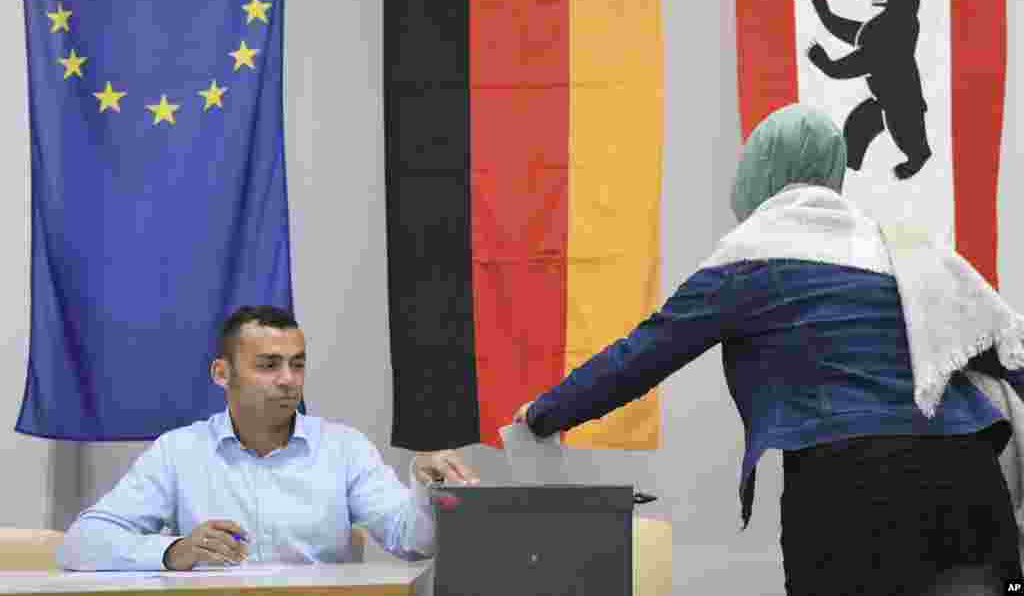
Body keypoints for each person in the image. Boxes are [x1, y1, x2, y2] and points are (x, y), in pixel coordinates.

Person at [513, 103, 1024, 595]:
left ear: (760, 173)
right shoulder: (900, 250)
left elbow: (637, 359)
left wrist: (543, 414)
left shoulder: (750, 258)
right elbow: (1011, 354)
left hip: (854, 496)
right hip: (970, 485)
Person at [58, 305, 478, 571]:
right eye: (268, 365)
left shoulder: (343, 448)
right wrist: (174, 552)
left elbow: (413, 542)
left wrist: (427, 486)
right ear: (222, 374)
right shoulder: (179, 451)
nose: (287, 380)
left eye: (297, 365)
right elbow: (82, 544)